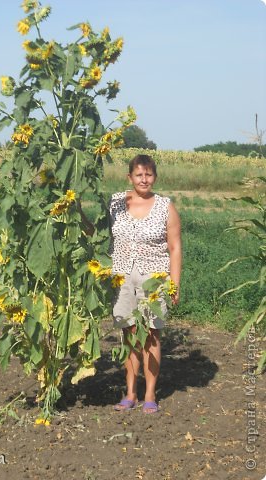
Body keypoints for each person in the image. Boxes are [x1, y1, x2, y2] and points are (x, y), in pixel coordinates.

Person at [109, 154, 182, 414]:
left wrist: (174, 285)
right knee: (129, 333)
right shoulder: (116, 203)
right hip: (122, 276)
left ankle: (150, 393)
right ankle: (130, 392)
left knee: (151, 334)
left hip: (155, 279)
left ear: (155, 177)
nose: (144, 179)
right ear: (129, 177)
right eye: (139, 174)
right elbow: (105, 235)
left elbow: (174, 248)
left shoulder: (165, 206)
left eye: (149, 174)